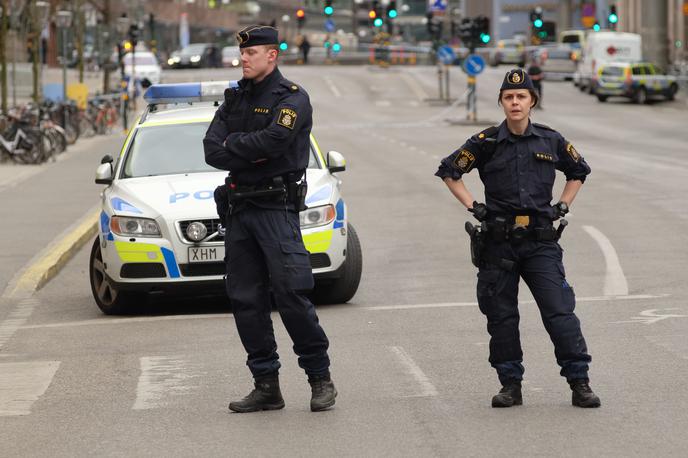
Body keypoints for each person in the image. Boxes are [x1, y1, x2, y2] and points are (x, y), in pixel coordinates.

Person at [434, 69, 600, 409]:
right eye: (509, 97)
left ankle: (579, 382)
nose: (515, 102)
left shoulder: (550, 140)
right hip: (498, 243)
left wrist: (563, 205)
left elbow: (578, 171)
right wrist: (474, 207)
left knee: (559, 312)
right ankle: (510, 383)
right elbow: (449, 171)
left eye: (521, 97)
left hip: (540, 241)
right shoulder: (486, 142)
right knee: (502, 317)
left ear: (532, 102)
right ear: (501, 102)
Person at [203, 25, 337, 413]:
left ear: (272, 55)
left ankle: (319, 378)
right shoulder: (234, 99)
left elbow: (276, 143)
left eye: (251, 53)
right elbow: (211, 151)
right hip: (240, 208)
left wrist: (237, 147)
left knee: (292, 296)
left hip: (276, 208)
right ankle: (266, 385)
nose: (243, 58)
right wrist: (250, 152)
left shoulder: (292, 98)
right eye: (242, 53)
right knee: (245, 299)